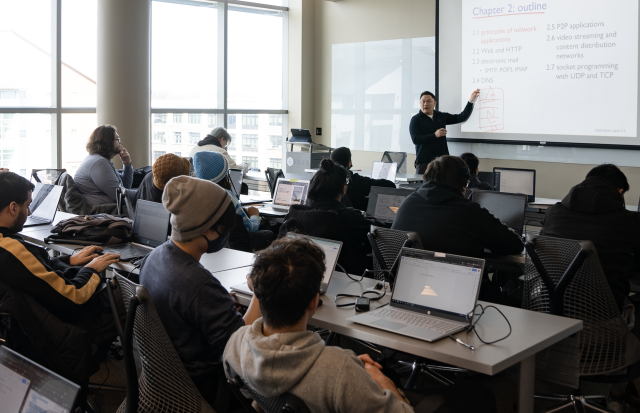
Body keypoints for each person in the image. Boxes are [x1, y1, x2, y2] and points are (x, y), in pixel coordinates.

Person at [224, 236, 497, 413]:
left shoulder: (235, 344)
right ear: (313, 302)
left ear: (258, 294)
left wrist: (351, 366)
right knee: (478, 394)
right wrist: (381, 380)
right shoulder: (338, 370)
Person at [138, 175, 262, 405]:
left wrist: (219, 306)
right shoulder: (199, 285)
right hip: (203, 389)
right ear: (210, 230)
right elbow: (241, 347)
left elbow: (184, 311)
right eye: (225, 227)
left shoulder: (153, 257)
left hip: (164, 382)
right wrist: (259, 293)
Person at [0, 171, 120, 316]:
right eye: (27, 206)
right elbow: (74, 296)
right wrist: (91, 269)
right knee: (127, 295)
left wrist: (68, 260)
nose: (30, 212)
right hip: (63, 329)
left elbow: (33, 272)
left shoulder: (7, 245)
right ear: (13, 208)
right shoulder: (11, 250)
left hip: (35, 321)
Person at [541, 164, 640, 312]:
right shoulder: (631, 221)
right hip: (602, 313)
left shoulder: (553, 213)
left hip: (549, 308)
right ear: (619, 191)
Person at [392, 155, 523, 258]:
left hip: (407, 283)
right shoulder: (469, 211)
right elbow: (514, 245)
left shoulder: (408, 202)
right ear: (462, 184)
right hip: (458, 286)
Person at [286, 159, 375, 275]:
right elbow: (377, 232)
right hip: (348, 277)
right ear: (344, 188)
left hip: (301, 275)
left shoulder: (295, 212)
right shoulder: (349, 216)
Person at [193, 151, 275, 252]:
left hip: (212, 248)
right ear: (224, 173)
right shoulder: (226, 196)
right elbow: (248, 229)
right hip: (235, 248)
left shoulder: (195, 196)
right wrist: (254, 216)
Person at [411, 90, 480, 174]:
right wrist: (434, 135)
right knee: (423, 186)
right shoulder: (415, 119)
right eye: (423, 101)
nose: (425, 104)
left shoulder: (441, 116)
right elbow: (416, 139)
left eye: (429, 101)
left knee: (445, 186)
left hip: (442, 162)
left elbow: (461, 117)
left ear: (435, 103)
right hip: (424, 163)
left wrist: (471, 101)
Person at [74, 125, 133, 205]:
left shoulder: (97, 159)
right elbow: (120, 196)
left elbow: (125, 186)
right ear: (107, 142)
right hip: (100, 212)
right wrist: (144, 194)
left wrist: (127, 164)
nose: (120, 142)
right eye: (117, 139)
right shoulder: (99, 163)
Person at [330, 147, 396, 211]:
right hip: (355, 218)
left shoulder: (324, 181)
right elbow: (390, 185)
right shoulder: (357, 181)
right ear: (349, 163)